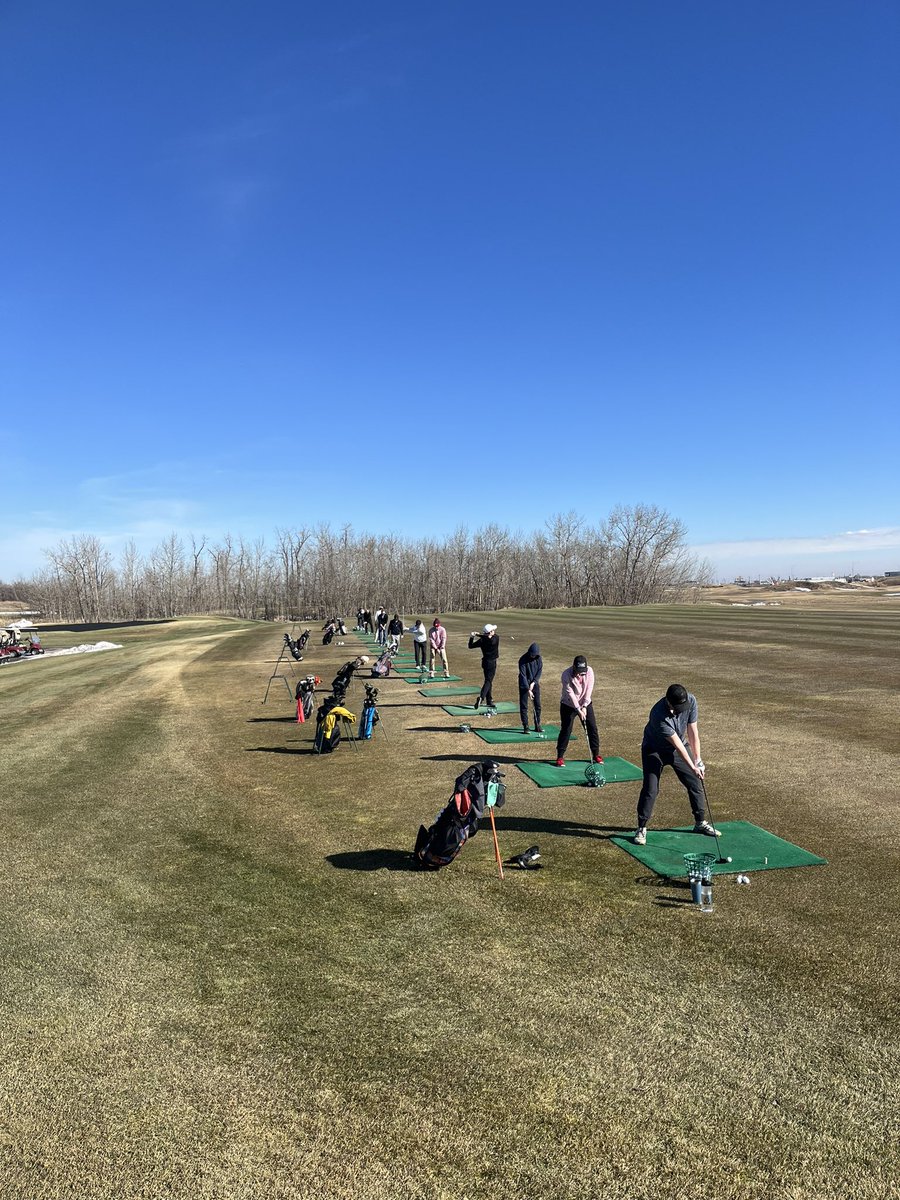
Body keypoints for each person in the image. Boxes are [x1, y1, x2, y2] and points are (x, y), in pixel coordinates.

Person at [633, 684, 717, 844]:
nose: (681, 709)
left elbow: (693, 732)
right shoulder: (658, 714)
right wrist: (693, 767)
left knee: (695, 782)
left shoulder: (691, 701)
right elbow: (677, 746)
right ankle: (641, 827)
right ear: (669, 703)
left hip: (678, 745)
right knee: (651, 788)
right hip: (654, 750)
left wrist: (698, 759)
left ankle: (700, 822)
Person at [555, 655, 603, 767]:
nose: (580, 674)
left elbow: (589, 689)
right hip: (568, 704)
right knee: (566, 730)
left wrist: (585, 706)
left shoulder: (589, 671)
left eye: (582, 672)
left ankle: (596, 754)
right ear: (574, 667)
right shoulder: (566, 675)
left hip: (585, 703)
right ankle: (560, 757)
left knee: (592, 727)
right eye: (578, 671)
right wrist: (578, 709)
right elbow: (570, 694)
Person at [468, 623, 499, 709]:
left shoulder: (482, 641)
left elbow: (470, 646)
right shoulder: (496, 638)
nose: (494, 632)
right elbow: (490, 637)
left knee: (488, 681)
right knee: (488, 681)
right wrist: (480, 635)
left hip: (485, 662)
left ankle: (489, 700)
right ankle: (481, 697)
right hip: (492, 663)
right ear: (489, 633)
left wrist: (473, 636)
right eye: (493, 630)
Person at [518, 642, 543, 734]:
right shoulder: (522, 660)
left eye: (535, 655)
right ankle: (526, 726)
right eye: (532, 655)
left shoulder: (538, 658)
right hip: (524, 684)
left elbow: (539, 671)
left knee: (538, 705)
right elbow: (523, 675)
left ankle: (537, 725)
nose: (533, 656)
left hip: (534, 683)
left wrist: (534, 682)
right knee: (524, 706)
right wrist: (528, 689)